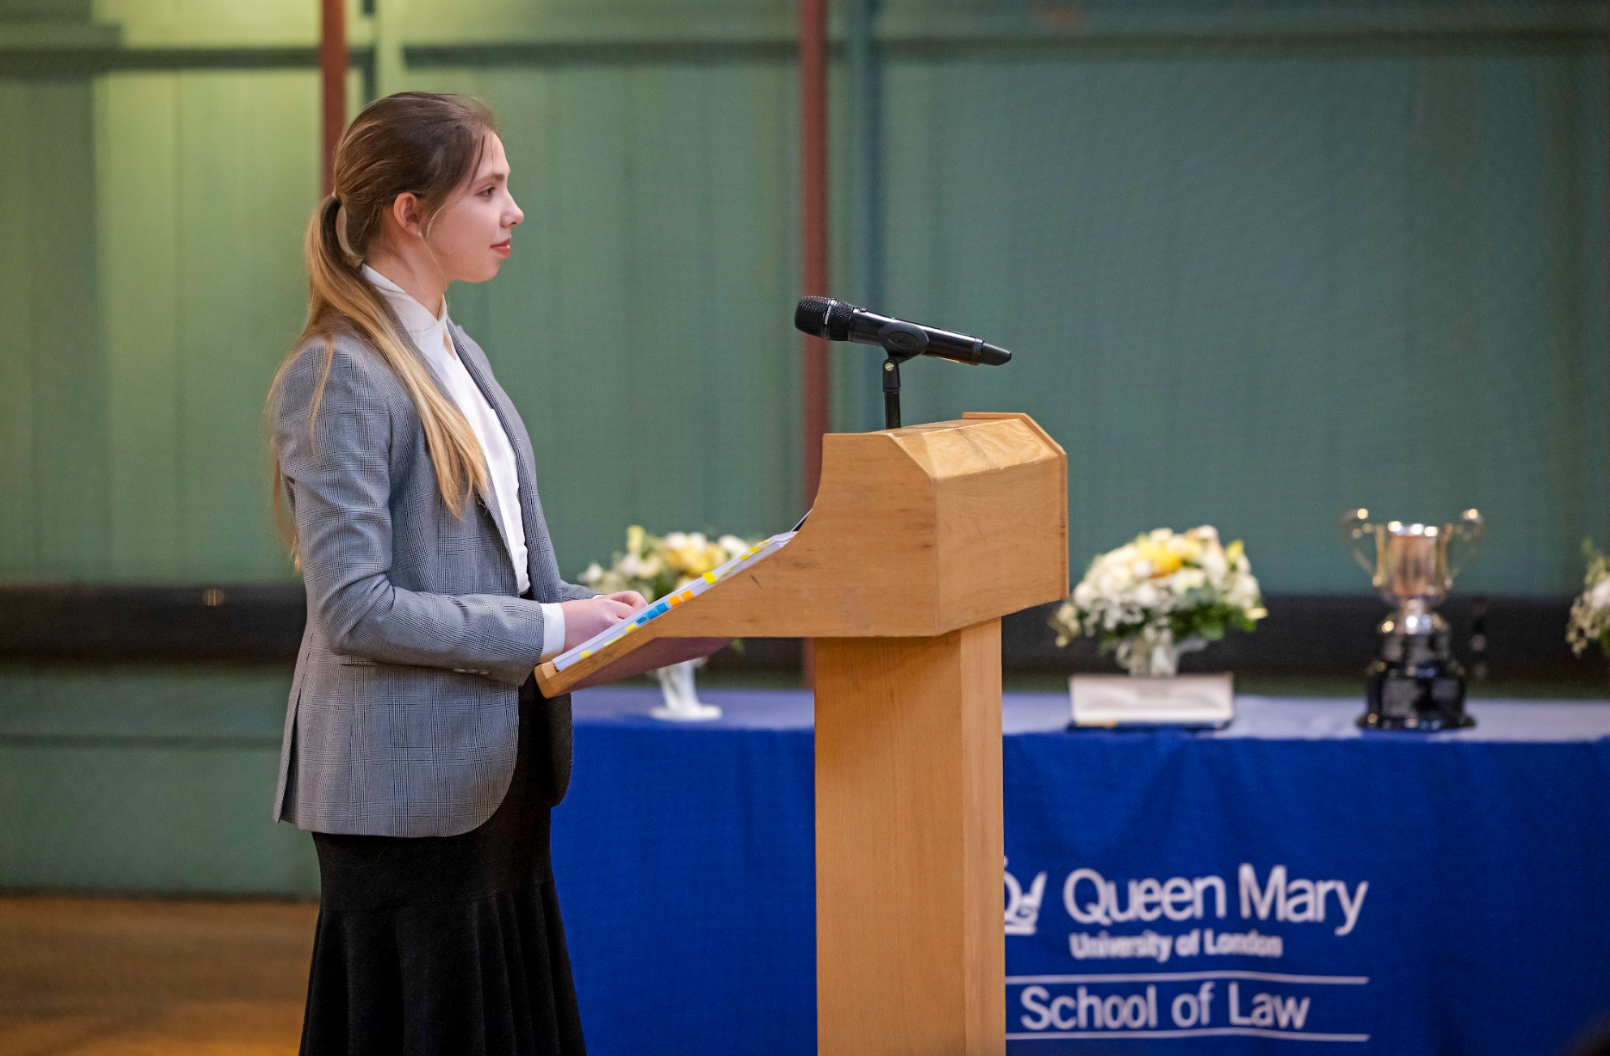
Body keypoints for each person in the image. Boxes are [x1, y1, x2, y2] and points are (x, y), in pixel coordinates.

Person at [265, 91, 644, 1056]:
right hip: (403, 803)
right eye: (490, 190)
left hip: (497, 776)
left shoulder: (458, 351)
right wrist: (552, 631)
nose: (514, 211)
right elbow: (354, 608)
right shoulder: (338, 370)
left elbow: (508, 571)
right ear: (410, 213)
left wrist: (610, 615)